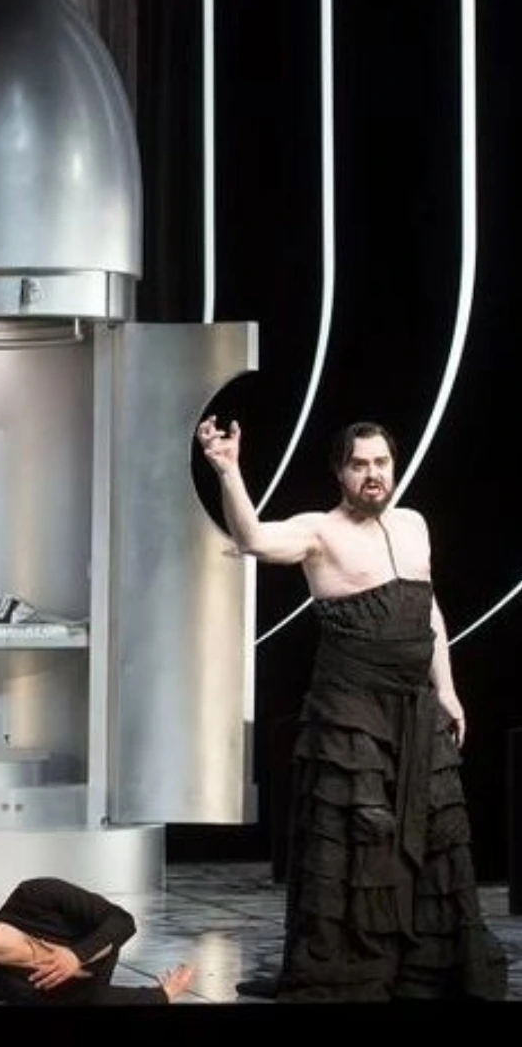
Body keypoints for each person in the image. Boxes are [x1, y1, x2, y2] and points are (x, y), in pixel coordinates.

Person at [196, 415, 507, 1001]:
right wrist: (229, 471)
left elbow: (429, 610)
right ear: (340, 472)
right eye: (359, 464)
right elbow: (254, 539)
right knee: (358, 834)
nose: (372, 474)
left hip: (416, 707)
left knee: (437, 831)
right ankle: (349, 967)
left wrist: (447, 689)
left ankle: (423, 964)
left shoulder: (414, 524)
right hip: (349, 709)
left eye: (381, 462)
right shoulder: (319, 531)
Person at [0, 875, 195, 1005]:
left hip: (95, 946)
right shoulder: (17, 987)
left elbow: (122, 921)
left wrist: (76, 956)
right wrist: (160, 996)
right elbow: (90, 1000)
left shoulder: (35, 895)